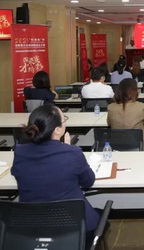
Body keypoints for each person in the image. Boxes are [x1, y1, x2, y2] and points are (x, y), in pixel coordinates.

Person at [11, 104, 101, 245]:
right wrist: (67, 149)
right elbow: (88, 181)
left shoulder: (20, 152)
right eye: (64, 119)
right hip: (73, 226)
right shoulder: (73, 153)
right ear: (58, 129)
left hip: (32, 226)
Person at [107, 78, 144, 150]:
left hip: (117, 147)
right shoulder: (141, 107)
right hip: (138, 148)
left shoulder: (111, 107)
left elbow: (109, 123)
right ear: (135, 91)